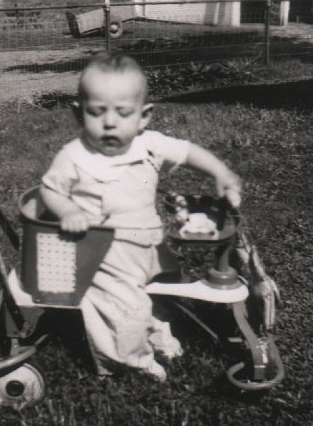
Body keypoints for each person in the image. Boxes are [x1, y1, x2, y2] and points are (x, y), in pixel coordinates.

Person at [40, 53, 242, 380]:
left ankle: (157, 332)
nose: (109, 122)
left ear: (143, 117)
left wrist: (221, 172)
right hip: (104, 252)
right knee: (123, 312)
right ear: (78, 114)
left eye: (122, 113)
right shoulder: (73, 156)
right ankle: (133, 365)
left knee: (165, 293)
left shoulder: (149, 145)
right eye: (96, 112)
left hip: (148, 244)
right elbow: (48, 190)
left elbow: (188, 152)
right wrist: (67, 209)